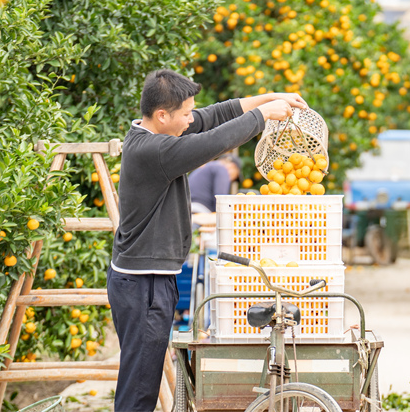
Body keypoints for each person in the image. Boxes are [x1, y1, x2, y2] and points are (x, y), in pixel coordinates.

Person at [107, 69, 306, 411]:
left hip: (151, 281)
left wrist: (270, 97)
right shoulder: (154, 150)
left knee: (144, 380)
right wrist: (261, 117)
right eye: (185, 114)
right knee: (139, 389)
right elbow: (210, 142)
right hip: (143, 286)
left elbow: (215, 116)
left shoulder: (159, 130)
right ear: (162, 115)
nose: (191, 119)